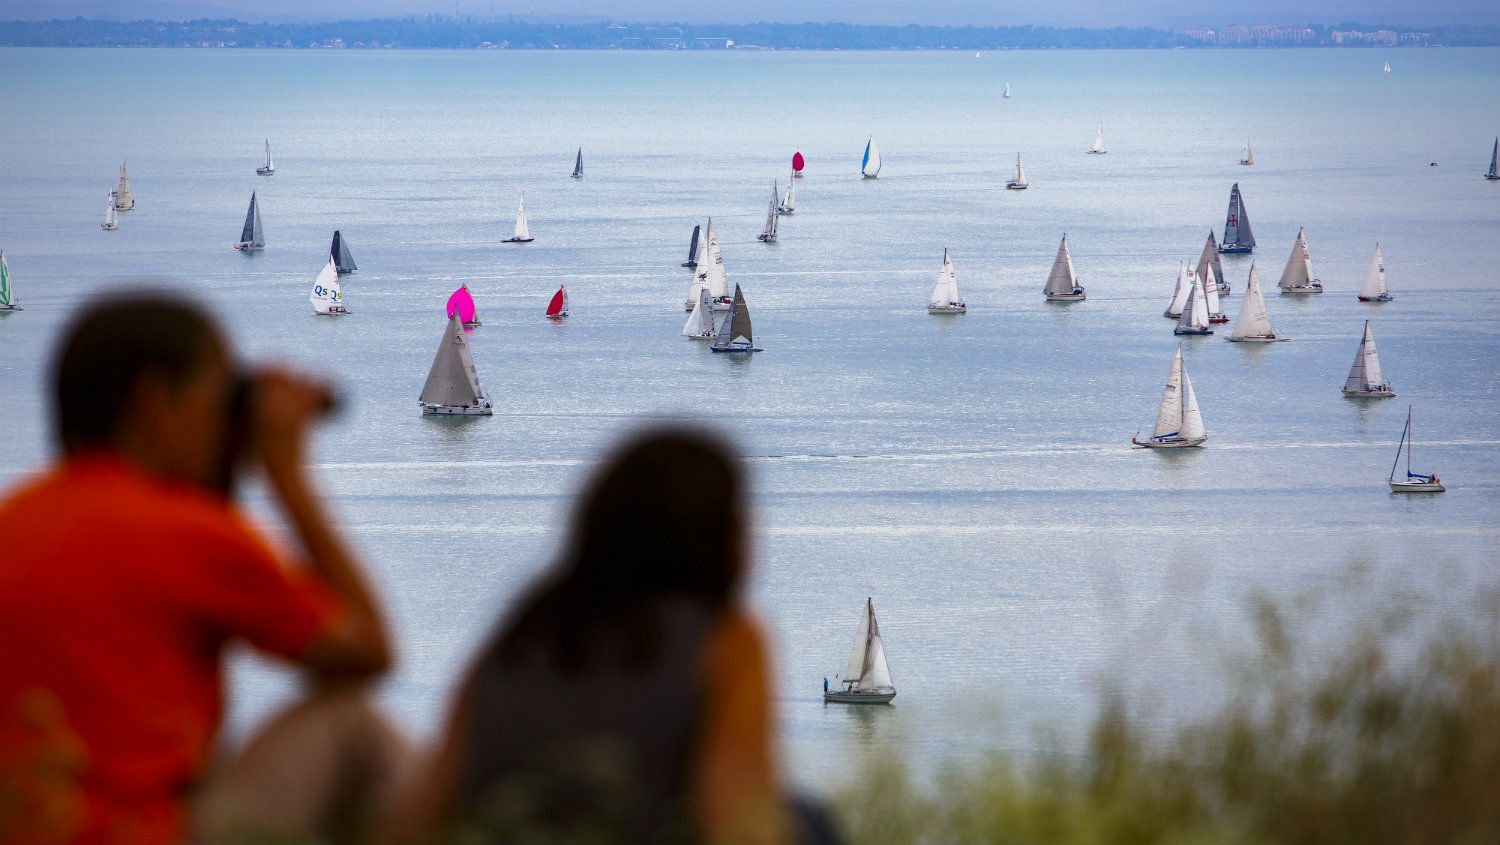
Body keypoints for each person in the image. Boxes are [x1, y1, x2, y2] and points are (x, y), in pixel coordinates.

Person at [0, 294, 396, 845]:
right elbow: (367, 653)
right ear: (154, 402)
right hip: (144, 832)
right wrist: (288, 477)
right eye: (215, 397)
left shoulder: (17, 516)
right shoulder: (191, 535)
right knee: (353, 728)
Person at [399, 429, 812, 845]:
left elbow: (422, 812)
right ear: (722, 532)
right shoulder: (728, 641)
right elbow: (737, 822)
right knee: (808, 818)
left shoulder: (519, 636)